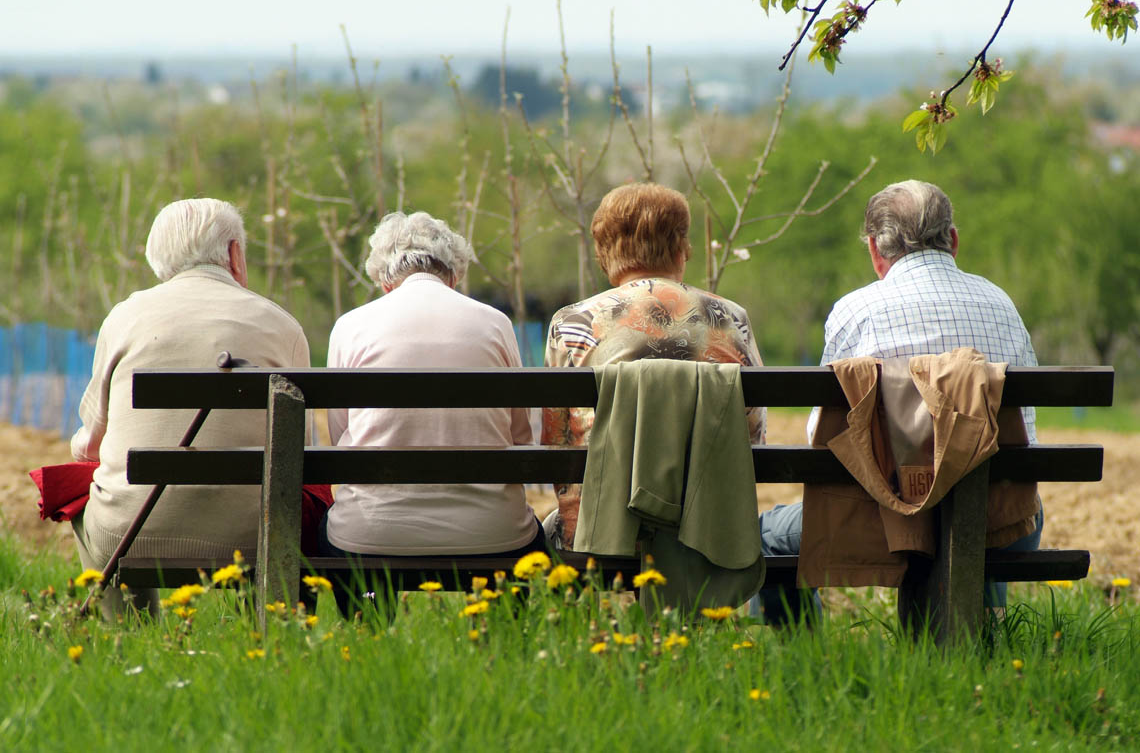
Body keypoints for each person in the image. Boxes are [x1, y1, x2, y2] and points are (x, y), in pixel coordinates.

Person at [759, 179, 1041, 613]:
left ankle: (804, 656)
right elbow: (1027, 433)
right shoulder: (1001, 304)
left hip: (882, 523)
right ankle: (979, 644)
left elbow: (821, 432)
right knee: (982, 501)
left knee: (767, 537)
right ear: (953, 240)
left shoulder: (856, 311)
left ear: (875, 250)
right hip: (999, 519)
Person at [71, 198, 311, 616]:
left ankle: (130, 634)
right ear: (235, 253)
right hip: (256, 536)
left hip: (133, 532)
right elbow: (300, 456)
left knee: (77, 492)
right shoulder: (281, 324)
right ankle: (266, 626)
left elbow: (91, 447)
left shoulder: (125, 317)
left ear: (157, 260)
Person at [542, 182, 766, 548]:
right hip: (710, 527)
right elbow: (753, 431)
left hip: (604, 529)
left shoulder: (573, 323)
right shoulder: (729, 318)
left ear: (605, 251)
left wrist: (575, 524)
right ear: (681, 248)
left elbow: (557, 443)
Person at [320, 211, 542, 569]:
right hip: (493, 534)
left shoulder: (350, 326)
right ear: (453, 276)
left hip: (370, 536)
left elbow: (340, 435)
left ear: (384, 282)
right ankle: (499, 626)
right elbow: (520, 438)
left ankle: (370, 621)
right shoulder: (495, 323)